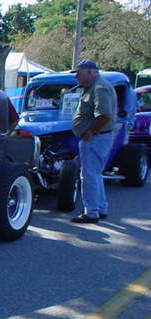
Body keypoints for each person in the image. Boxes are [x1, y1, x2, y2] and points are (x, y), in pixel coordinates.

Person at [69, 60, 117, 223]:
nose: (76, 76)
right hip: (97, 137)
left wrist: (91, 132)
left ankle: (91, 212)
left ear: (90, 72)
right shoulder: (93, 87)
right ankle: (100, 208)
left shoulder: (99, 88)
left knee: (88, 174)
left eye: (78, 72)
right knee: (95, 174)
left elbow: (105, 115)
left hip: (96, 138)